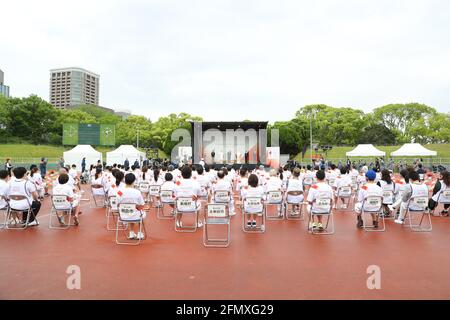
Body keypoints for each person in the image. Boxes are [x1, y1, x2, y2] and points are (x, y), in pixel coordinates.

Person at [117, 173, 146, 240]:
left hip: (123, 215)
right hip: (135, 215)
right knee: (140, 211)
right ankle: (139, 232)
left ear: (125, 180)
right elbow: (142, 204)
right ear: (134, 181)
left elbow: (117, 203)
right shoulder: (137, 192)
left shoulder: (120, 192)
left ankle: (131, 232)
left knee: (131, 211)